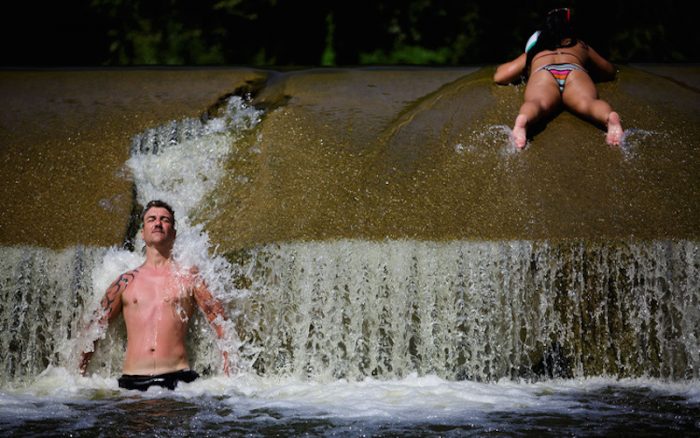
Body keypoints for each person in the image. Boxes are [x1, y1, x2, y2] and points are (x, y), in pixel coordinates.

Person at [79, 199, 230, 391]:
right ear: (142, 232)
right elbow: (94, 328)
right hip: (132, 383)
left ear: (173, 233)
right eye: (151, 219)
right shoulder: (125, 282)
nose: (158, 223)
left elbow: (220, 323)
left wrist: (229, 373)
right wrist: (76, 377)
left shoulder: (189, 278)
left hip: (179, 382)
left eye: (164, 219)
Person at [493, 7, 623, 148]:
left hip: (543, 73)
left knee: (537, 103)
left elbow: (501, 76)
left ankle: (524, 119)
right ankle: (609, 117)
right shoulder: (580, 45)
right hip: (574, 70)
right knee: (588, 102)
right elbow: (609, 70)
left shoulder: (537, 47)